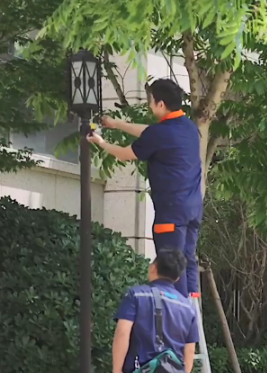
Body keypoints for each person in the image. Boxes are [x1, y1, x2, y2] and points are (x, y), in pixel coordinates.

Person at [86, 78, 203, 297]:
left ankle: (174, 322)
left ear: (160, 104)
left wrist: (100, 143)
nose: (149, 105)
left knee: (170, 268)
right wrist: (117, 124)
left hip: (171, 212)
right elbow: (149, 131)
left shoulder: (159, 134)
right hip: (193, 210)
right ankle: (192, 317)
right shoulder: (188, 128)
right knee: (188, 261)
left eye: (151, 101)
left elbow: (124, 154)